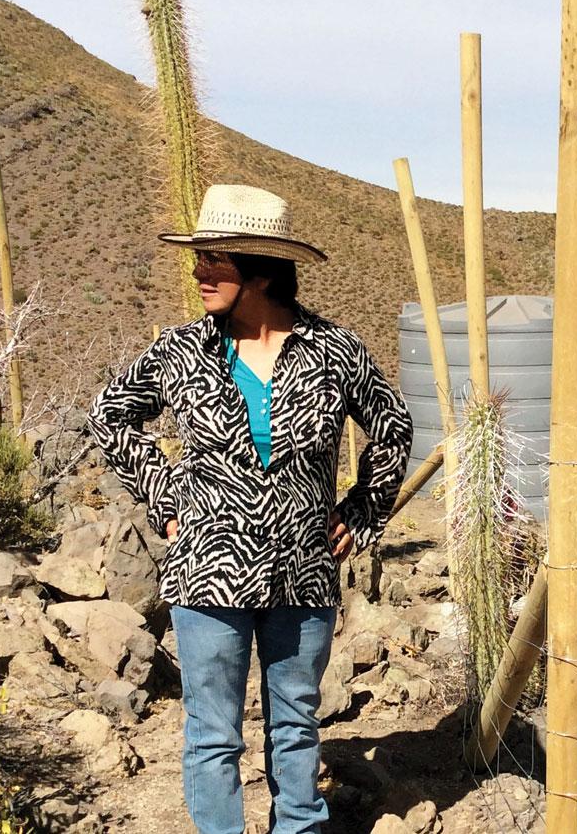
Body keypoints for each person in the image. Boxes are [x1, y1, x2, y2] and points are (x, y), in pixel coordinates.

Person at [88, 183, 413, 834]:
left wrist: (360, 510)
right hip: (207, 572)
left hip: (303, 570)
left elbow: (394, 426)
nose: (199, 271)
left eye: (216, 259)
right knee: (213, 734)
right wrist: (166, 496)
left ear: (260, 268)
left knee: (295, 723)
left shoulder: (335, 351)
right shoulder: (182, 350)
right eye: (200, 257)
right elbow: (110, 414)